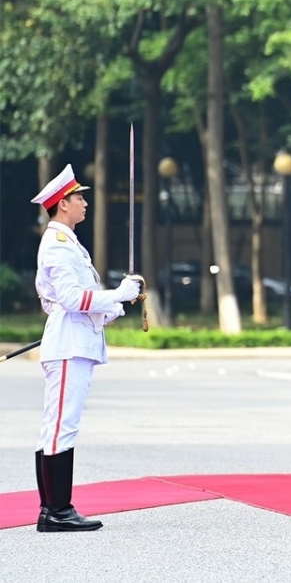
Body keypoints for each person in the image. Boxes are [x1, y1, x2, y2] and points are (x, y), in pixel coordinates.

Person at [30, 164, 143, 532]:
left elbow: (80, 302)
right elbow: (70, 297)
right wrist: (117, 293)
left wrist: (114, 305)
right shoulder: (58, 245)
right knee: (62, 426)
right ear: (62, 204)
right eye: (79, 197)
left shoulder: (68, 244)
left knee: (58, 425)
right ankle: (58, 511)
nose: (84, 203)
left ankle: (53, 508)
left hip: (76, 339)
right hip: (68, 344)